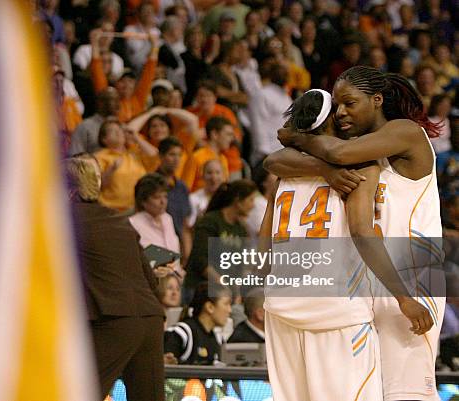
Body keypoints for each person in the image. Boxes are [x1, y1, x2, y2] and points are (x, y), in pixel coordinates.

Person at [278, 66, 445, 401]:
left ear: (377, 100)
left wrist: (299, 137)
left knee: (405, 394)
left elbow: (334, 153)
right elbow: (274, 162)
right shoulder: (359, 149)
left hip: (412, 278)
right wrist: (322, 165)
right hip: (375, 279)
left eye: (350, 103)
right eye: (337, 105)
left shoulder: (406, 132)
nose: (340, 112)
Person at [67, 154, 164, 401]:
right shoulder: (119, 220)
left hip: (112, 320)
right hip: (151, 319)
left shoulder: (64, 220)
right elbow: (152, 282)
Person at [183, 180, 257, 303]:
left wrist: (237, 292)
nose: (253, 205)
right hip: (200, 289)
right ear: (238, 200)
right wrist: (222, 283)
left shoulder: (241, 229)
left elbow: (238, 266)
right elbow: (200, 259)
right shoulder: (210, 221)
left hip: (224, 294)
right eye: (250, 200)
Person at [90, 28, 159, 123]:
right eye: (122, 81)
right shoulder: (108, 100)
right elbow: (97, 73)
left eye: (130, 81)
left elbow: (149, 73)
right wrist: (94, 43)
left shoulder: (138, 99)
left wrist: (155, 46)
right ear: (115, 84)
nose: (127, 85)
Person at [94, 117, 155, 211]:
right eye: (113, 131)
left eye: (120, 130)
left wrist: (135, 136)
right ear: (104, 139)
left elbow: (154, 155)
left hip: (138, 208)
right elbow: (97, 185)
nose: (118, 133)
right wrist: (111, 169)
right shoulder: (99, 157)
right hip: (112, 210)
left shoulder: (134, 152)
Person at [164, 282, 232, 365]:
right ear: (210, 307)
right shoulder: (181, 333)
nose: (229, 310)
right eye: (226, 304)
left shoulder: (219, 339)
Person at [129, 173, 183, 278]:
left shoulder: (168, 219)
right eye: (157, 197)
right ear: (143, 201)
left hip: (174, 283)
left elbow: (174, 258)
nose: (163, 202)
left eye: (165, 196)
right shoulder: (133, 223)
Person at [156, 137, 193, 256]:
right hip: (157, 246)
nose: (176, 159)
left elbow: (185, 224)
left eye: (179, 155)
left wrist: (187, 254)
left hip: (179, 247)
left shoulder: (182, 187)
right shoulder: (150, 184)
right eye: (172, 154)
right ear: (161, 156)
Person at [181, 116, 233, 192]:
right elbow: (185, 189)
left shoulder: (223, 159)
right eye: (228, 134)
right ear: (215, 134)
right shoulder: (197, 157)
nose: (231, 139)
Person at [69, 87, 120, 155]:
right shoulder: (85, 126)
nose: (117, 104)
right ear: (100, 102)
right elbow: (75, 156)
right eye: (111, 99)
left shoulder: (122, 127)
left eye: (117, 100)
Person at [187, 159, 226, 228]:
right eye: (209, 173)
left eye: (217, 172)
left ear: (223, 176)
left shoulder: (229, 199)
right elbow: (190, 225)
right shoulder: (193, 199)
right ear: (202, 176)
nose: (213, 177)